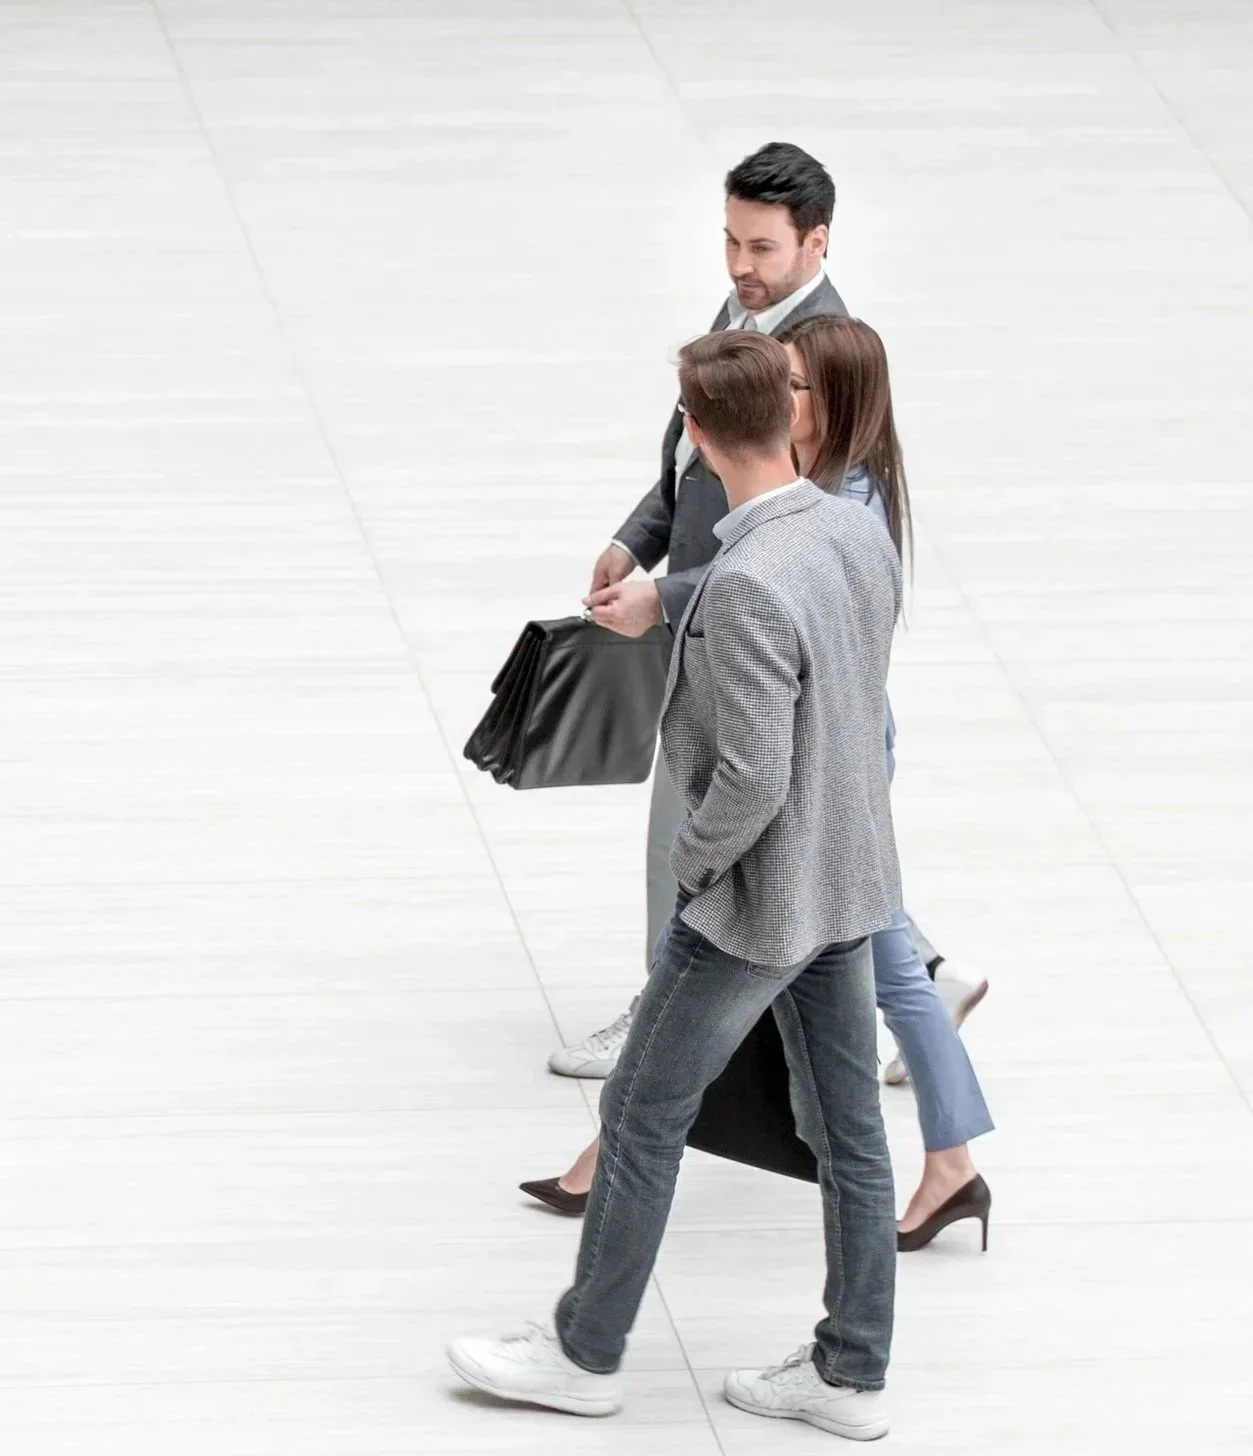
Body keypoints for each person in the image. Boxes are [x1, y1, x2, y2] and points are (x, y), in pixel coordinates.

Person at [448, 331, 904, 1440]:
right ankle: (849, 1372)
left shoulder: (746, 583)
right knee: (846, 1130)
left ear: (696, 438)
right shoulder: (851, 529)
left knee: (640, 1113)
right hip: (845, 881)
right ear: (785, 418)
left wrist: (691, 866)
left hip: (752, 905)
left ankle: (582, 1351)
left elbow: (751, 776)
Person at [521, 316, 995, 1250]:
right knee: (881, 965)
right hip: (826, 758)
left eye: (794, 386)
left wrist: (697, 857)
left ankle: (946, 1166)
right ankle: (950, 1167)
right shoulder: (814, 491)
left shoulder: (841, 506)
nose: (776, 398)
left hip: (828, 754)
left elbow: (765, 611)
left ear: (834, 402)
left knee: (862, 967)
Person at [547, 142, 985, 1084]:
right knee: (821, 849)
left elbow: (797, 552)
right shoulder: (748, 313)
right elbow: (685, 452)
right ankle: (926, 977)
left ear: (816, 242)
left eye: (763, 248)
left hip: (750, 640)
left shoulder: (817, 363)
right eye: (730, 242)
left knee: (706, 835)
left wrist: (661, 597)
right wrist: (638, 538)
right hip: (713, 612)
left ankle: (660, 1022)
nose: (740, 267)